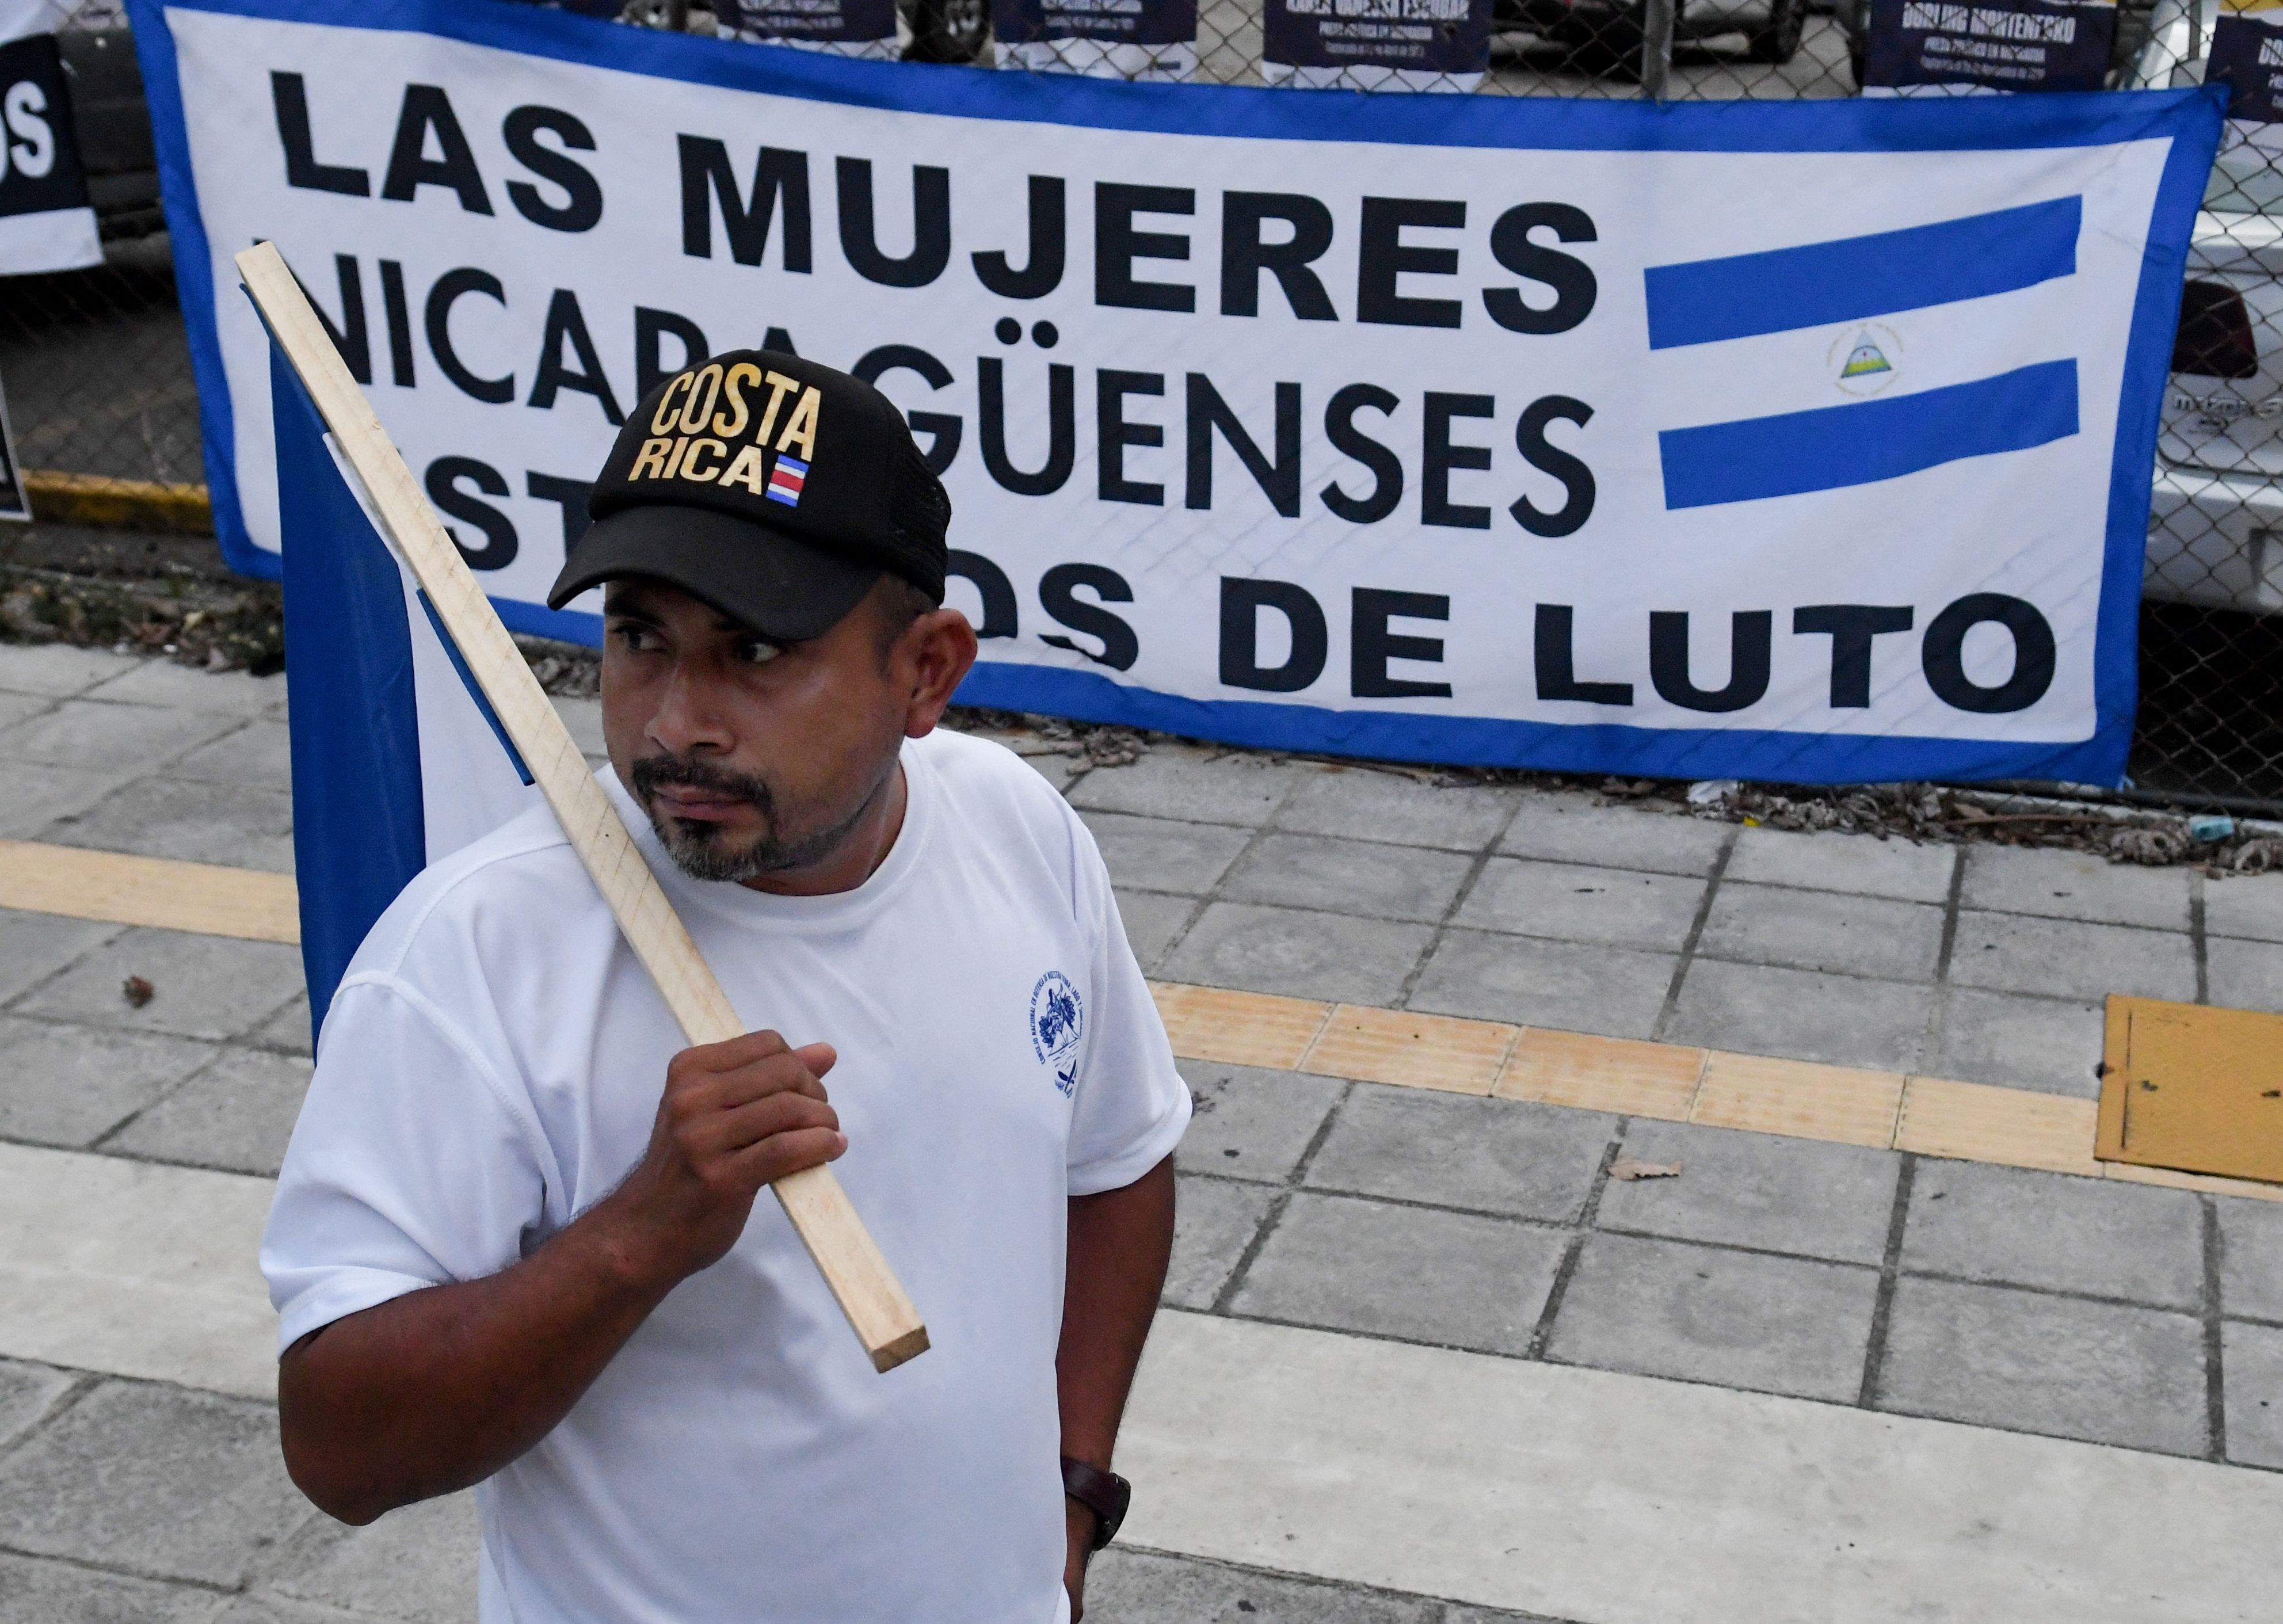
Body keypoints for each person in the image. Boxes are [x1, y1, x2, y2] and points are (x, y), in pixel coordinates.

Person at [261, 350, 1190, 1623]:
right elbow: (339, 1449)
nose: (673, 724)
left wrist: (1073, 1499)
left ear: (926, 671)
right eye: (639, 636)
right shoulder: (474, 949)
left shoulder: (1017, 829)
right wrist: (638, 1235)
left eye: (753, 649)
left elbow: (1120, 1161)